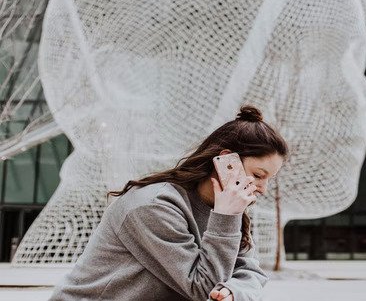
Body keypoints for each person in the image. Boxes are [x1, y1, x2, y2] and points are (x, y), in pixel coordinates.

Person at [49, 105, 288, 301]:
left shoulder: (228, 209)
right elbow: (202, 288)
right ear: (227, 162)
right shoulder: (153, 206)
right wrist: (226, 219)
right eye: (258, 175)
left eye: (269, 179)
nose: (263, 189)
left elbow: (249, 270)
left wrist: (234, 292)